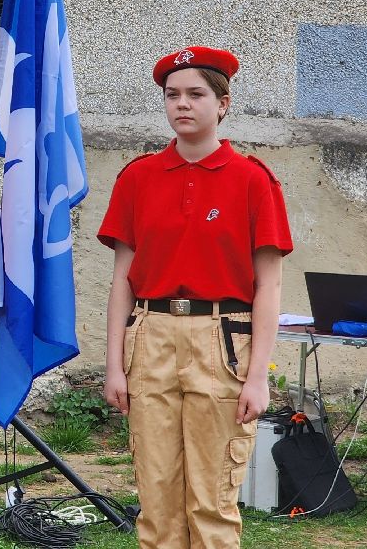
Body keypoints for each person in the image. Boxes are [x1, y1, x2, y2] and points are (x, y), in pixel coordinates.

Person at [98, 46, 293, 549]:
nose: (182, 104)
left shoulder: (253, 180)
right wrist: (115, 365)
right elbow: (123, 279)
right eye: (172, 95)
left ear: (223, 103)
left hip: (222, 340)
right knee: (157, 501)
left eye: (196, 94)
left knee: (212, 503)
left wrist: (258, 378)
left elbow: (268, 285)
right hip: (151, 336)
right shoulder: (137, 178)